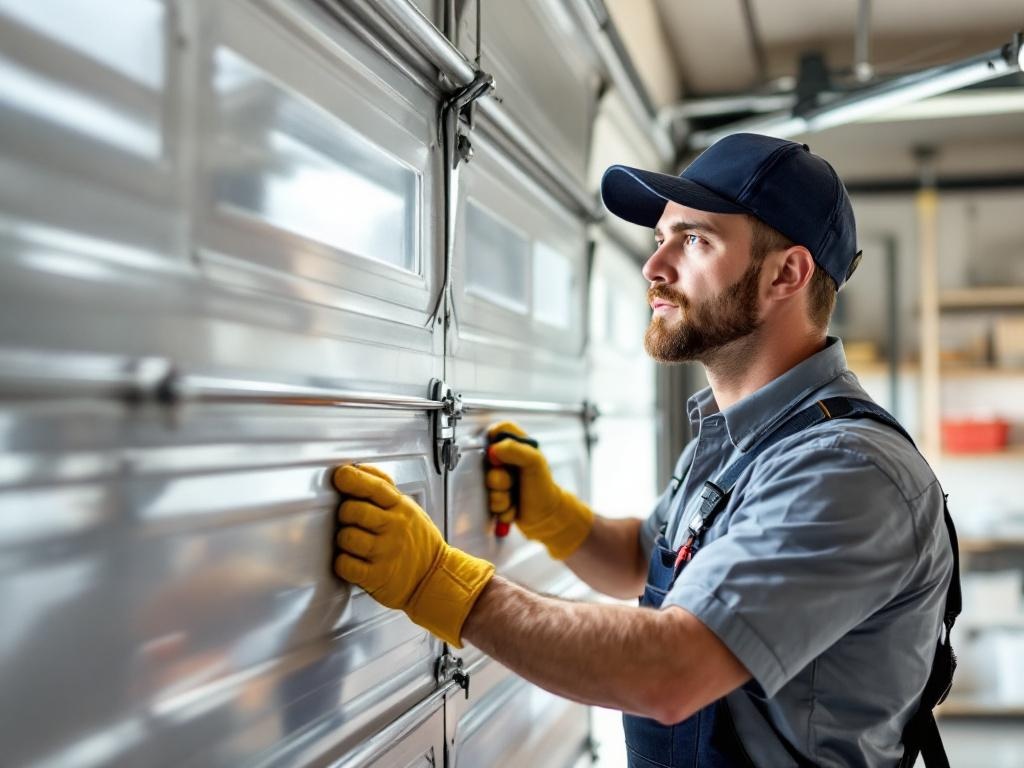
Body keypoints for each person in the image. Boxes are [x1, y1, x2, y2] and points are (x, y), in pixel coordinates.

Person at [331, 133, 956, 767]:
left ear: (786, 274)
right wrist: (553, 514)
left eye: (695, 240)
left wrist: (439, 585)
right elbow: (643, 562)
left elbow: (670, 669)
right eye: (662, 239)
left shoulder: (846, 470)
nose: (654, 269)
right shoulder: (738, 439)